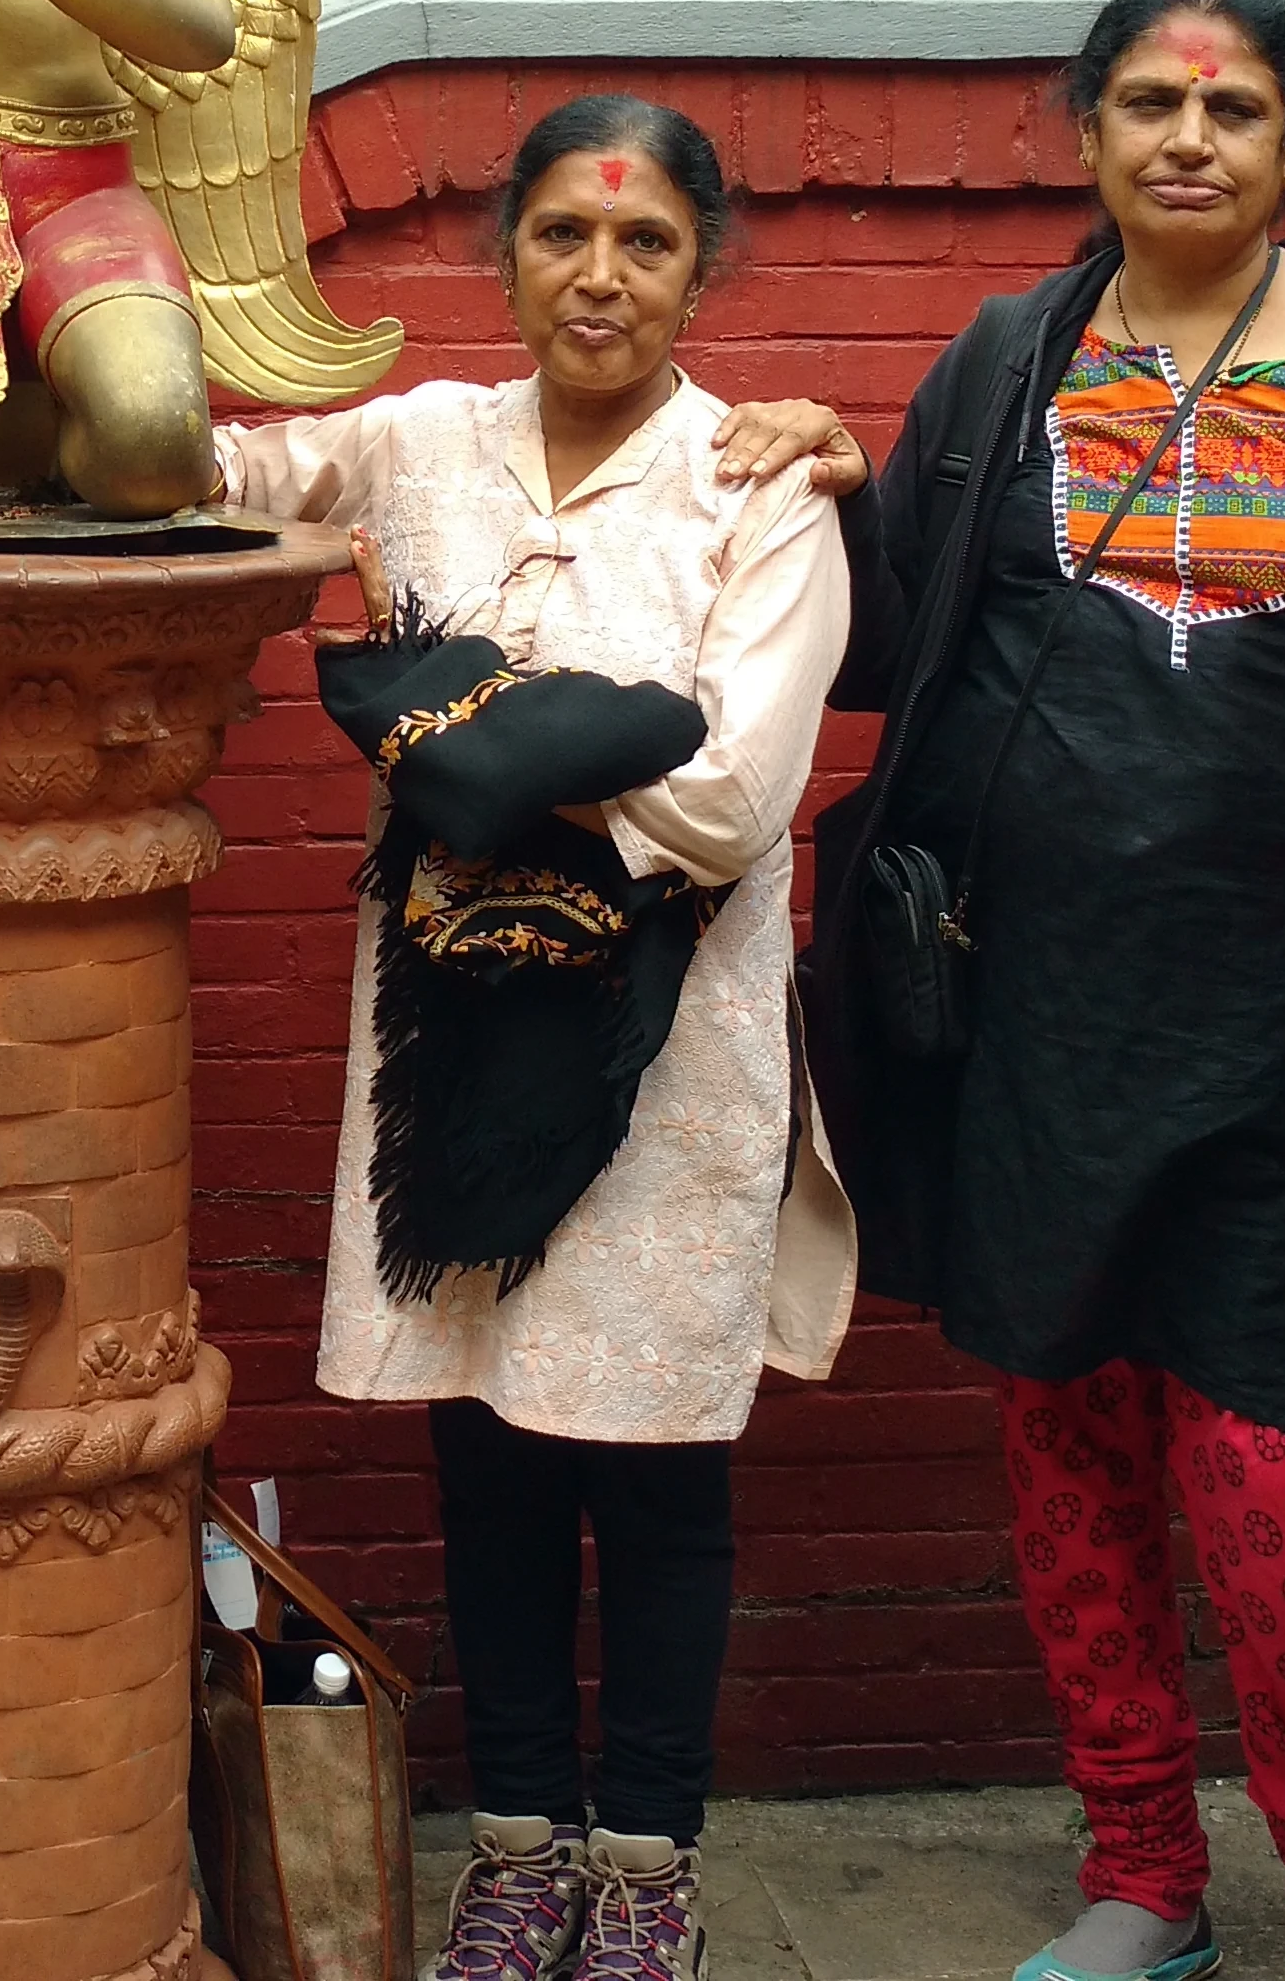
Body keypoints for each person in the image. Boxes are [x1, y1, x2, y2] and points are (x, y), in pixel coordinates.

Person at [752, 0, 1285, 1981]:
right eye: (1149, 103)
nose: (1187, 138)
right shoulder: (1009, 362)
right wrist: (800, 488)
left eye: (1234, 107)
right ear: (1083, 129)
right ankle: (1141, 1885)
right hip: (1037, 1024)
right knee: (1070, 1449)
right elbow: (890, 643)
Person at [212, 95, 858, 1981]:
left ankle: (646, 1873)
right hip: (452, 1047)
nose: (601, 276)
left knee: (655, 1472)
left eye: (647, 242)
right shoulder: (416, 446)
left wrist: (463, 744)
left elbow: (734, 801)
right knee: (488, 1455)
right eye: (567, 237)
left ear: (697, 268)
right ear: (505, 252)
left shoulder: (759, 487)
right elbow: (218, 475)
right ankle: (517, 1858)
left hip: (669, 1067)